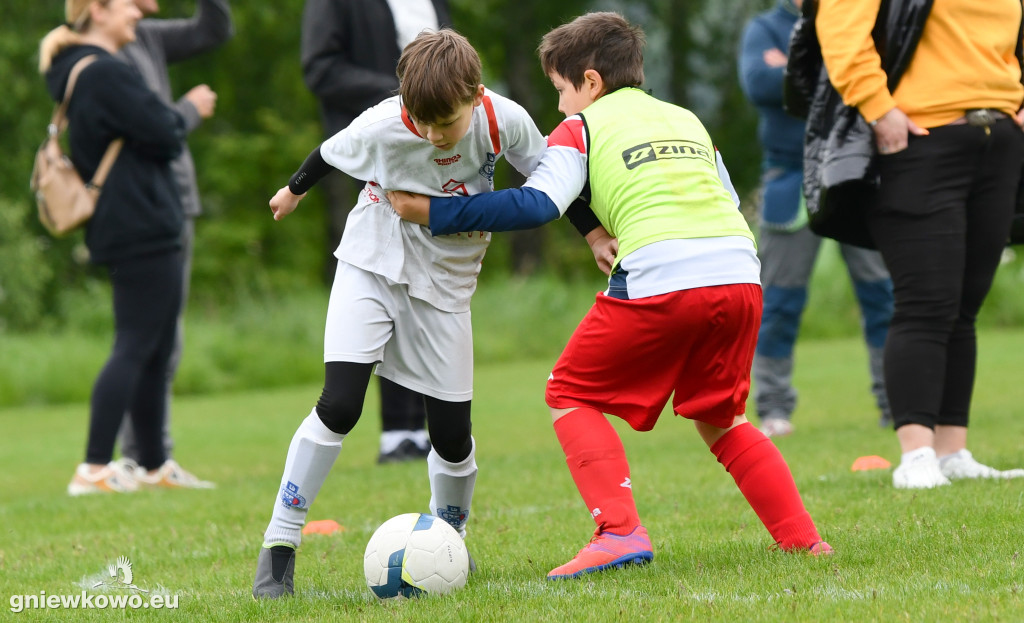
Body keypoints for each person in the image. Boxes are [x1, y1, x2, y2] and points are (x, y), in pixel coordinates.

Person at [388, 11, 832, 580]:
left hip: (663, 276)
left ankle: (619, 532)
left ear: (591, 82)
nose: (559, 107)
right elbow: (722, 196)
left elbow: (535, 204)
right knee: (723, 418)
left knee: (568, 390)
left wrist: (434, 212)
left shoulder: (583, 127)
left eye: (561, 90)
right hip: (741, 275)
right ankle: (803, 541)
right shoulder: (685, 118)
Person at [251, 28, 550, 598]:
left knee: (453, 437)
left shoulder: (501, 119)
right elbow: (330, 153)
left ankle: (450, 542)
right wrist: (293, 191)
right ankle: (279, 546)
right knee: (339, 404)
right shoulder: (383, 122)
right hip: (372, 260)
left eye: (448, 124)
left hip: (446, 283)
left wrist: (589, 232)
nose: (436, 136)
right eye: (423, 123)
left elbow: (549, 183)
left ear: (477, 95)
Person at [816, 0, 1024, 488]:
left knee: (964, 304)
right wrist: (879, 108)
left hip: (997, 139)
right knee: (926, 302)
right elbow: (841, 31)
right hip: (919, 141)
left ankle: (953, 452)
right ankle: (916, 454)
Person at [40, 0, 188, 495]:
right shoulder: (104, 73)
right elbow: (167, 132)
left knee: (153, 346)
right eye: (127, 5)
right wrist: (190, 108)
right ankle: (94, 467)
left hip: (129, 223)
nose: (138, 14)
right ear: (97, 10)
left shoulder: (81, 71)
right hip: (139, 223)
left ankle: (152, 465)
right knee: (135, 343)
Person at [301, 0, 452, 463]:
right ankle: (395, 431)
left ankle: (420, 426)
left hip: (434, 144)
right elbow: (320, 69)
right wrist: (404, 94)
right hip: (373, 145)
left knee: (427, 277)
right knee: (382, 274)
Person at [738, 0, 894, 438]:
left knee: (883, 296)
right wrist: (842, 74)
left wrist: (793, 69)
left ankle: (895, 403)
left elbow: (880, 81)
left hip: (858, 174)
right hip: (790, 179)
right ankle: (773, 408)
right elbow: (759, 85)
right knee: (779, 304)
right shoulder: (765, 28)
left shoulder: (857, 15)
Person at [114, 0, 233, 488]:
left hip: (173, 203)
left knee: (165, 338)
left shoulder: (145, 36)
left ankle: (152, 459)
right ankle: (130, 458)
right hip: (142, 206)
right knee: (143, 337)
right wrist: (187, 109)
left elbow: (213, 29)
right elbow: (149, 129)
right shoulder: (108, 51)